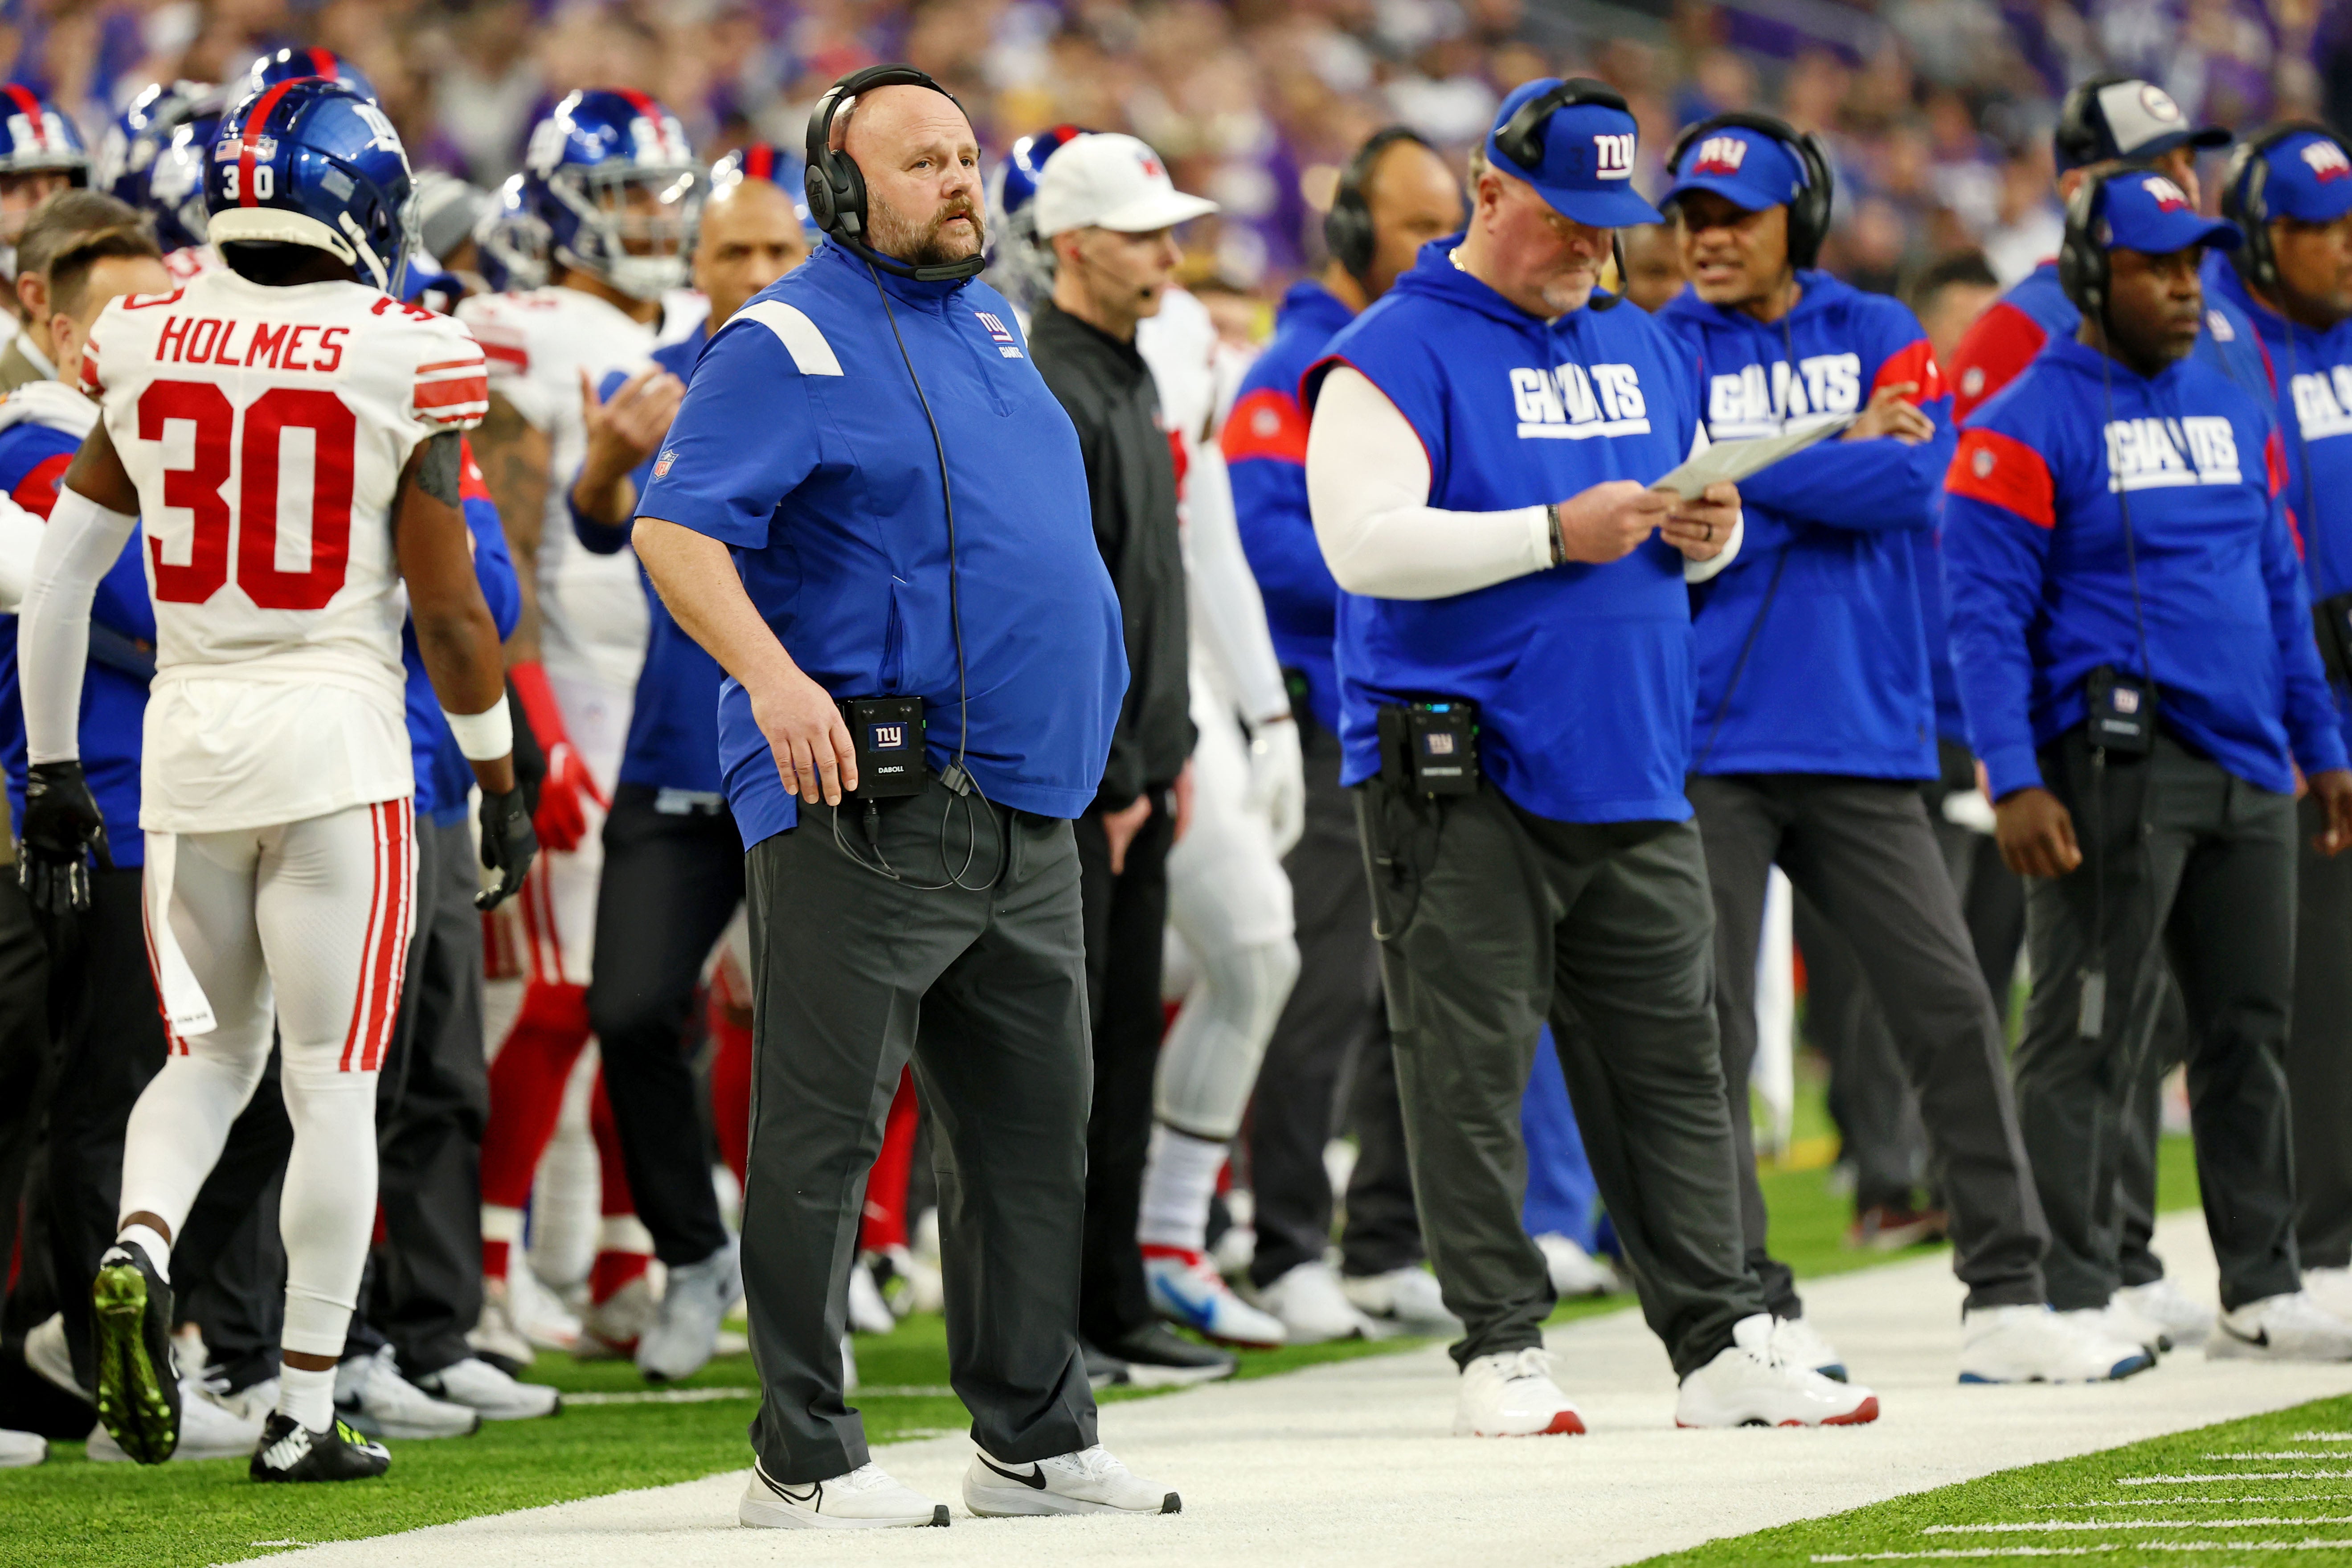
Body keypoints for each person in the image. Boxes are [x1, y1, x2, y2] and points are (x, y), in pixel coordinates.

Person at [630, 65, 1174, 1525]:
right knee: (821, 1139)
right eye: (923, 162)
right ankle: (799, 1463)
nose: (959, 183)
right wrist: (773, 678)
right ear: (840, 191)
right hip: (871, 799)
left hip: (1025, 801)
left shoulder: (993, 320)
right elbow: (676, 529)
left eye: (966, 157)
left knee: (1029, 1138)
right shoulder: (784, 337)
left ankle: (1034, 1438)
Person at [1305, 77, 1874, 1436]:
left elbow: (1680, 530)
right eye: (1568, 221)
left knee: (1679, 1067)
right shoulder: (1395, 348)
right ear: (1489, 194)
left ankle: (1722, 1337)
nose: (1594, 250)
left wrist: (1711, 529)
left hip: (1630, 759)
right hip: (1462, 772)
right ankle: (1497, 1345)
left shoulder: (1638, 340)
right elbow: (1361, 542)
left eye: (1613, 225)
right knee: (1470, 1067)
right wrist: (1553, 532)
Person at [16, 78, 533, 1479]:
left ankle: (137, 1248)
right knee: (332, 1085)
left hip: (187, 743)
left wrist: (55, 765)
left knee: (205, 1058)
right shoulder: (406, 350)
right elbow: (450, 617)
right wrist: (495, 768)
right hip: (335, 744)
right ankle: (304, 1405)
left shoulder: (139, 333)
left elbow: (61, 582)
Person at [1658, 115, 2145, 1385]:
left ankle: (2010, 1296)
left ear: (1799, 220)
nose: (1708, 240)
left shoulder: (1881, 331)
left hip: (1868, 737)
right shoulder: (1658, 347)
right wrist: (1829, 449)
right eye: (1692, 221)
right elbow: (1668, 501)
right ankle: (1752, 1307)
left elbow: (1909, 490)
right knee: (1711, 1032)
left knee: (1950, 1009)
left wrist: (1739, 477)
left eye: (1736, 219)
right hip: (1706, 740)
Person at [1944, 160, 2352, 1363]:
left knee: (2248, 1030)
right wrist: (2012, 778)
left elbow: (2276, 583)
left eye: (2191, 268)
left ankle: (2262, 1281)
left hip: (2249, 764)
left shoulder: (2235, 406)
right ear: (2086, 274)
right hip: (2110, 770)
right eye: (2154, 269)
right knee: (2089, 1032)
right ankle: (2071, 1285)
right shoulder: (2023, 422)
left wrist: (2321, 749)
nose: (2185, 291)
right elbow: (1981, 619)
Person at [458, 88, 707, 1363]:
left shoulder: (707, 324)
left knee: (662, 1002)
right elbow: (493, 527)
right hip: (572, 672)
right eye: (624, 197)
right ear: (561, 208)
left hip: (677, 683)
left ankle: (626, 1255)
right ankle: (493, 1267)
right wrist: (528, 707)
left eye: (664, 195)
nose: (650, 222)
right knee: (557, 998)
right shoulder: (524, 333)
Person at [568, 143, 810, 1373]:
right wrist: (609, 458)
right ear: (693, 262)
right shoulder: (658, 380)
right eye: (737, 253)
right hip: (683, 743)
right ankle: (692, 1254)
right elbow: (599, 525)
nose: (760, 273)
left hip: (819, 753)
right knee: (630, 1008)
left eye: (781, 251)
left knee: (830, 1033)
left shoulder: (859, 376)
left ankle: (813, 1277)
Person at [1224, 124, 1463, 1345]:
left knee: (1402, 993)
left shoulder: (1441, 348)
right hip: (1330, 716)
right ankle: (1285, 1244)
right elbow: (1275, 549)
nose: (1448, 246)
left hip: (1426, 718)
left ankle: (1380, 1241)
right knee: (1318, 988)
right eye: (1424, 224)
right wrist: (1451, 560)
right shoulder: (1297, 367)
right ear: (1359, 234)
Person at [1023, 130, 1236, 1386]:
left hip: (1141, 772)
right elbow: (1063, 602)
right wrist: (1108, 777)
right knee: (1064, 1069)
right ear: (1078, 245)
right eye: (1149, 232)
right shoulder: (1054, 377)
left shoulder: (1128, 368)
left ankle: (1111, 1305)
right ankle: (1057, 1322)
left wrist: (1171, 749)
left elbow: (1151, 585)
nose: (1171, 252)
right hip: (1083, 788)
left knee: (1122, 1055)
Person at [2202, 125, 2352, 1325]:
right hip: (2284, 706)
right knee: (2300, 989)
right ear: (2262, 235)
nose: (2346, 252)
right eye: (2320, 230)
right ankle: (2320, 1239)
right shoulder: (2219, 341)